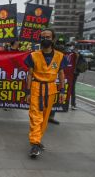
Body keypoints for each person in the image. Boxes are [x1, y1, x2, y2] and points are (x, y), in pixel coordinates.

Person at [24, 28, 68, 158]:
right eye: (43, 37)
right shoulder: (33, 55)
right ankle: (35, 143)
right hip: (36, 88)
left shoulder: (60, 56)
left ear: (53, 39)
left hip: (51, 89)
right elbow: (29, 74)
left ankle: (37, 140)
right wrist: (27, 91)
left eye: (48, 37)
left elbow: (61, 74)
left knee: (44, 118)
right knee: (35, 117)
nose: (45, 39)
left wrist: (62, 91)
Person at [66, 42, 80, 110]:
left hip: (72, 73)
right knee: (70, 88)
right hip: (68, 72)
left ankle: (72, 104)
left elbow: (76, 62)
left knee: (71, 88)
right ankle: (70, 104)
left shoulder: (75, 54)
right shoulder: (69, 53)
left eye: (70, 46)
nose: (69, 47)